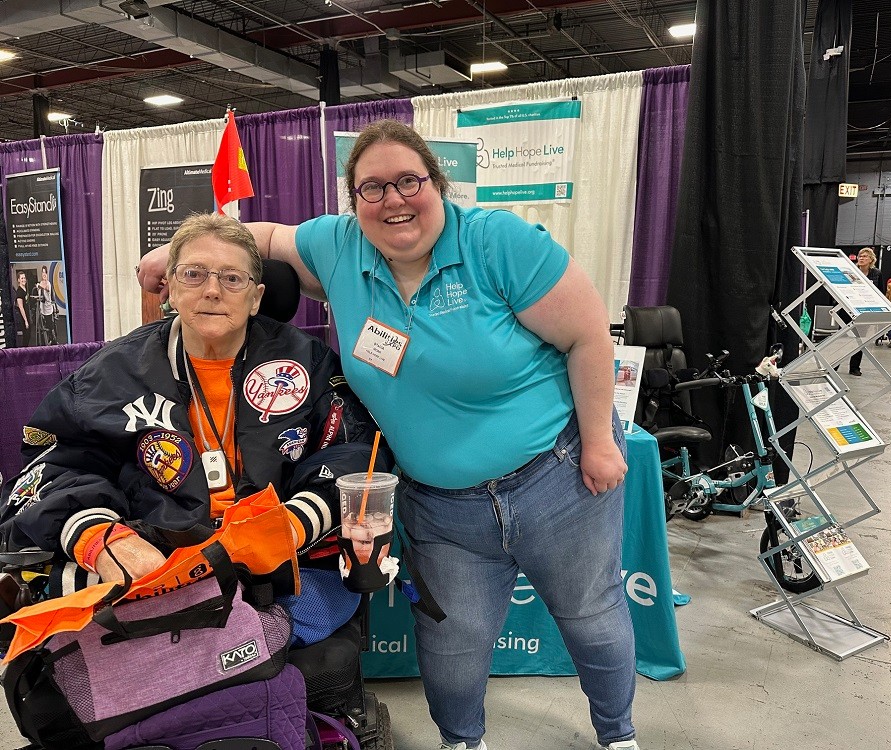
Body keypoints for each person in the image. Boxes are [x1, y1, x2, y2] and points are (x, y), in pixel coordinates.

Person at [140, 120, 637, 750]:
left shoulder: (496, 241)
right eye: (371, 188)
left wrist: (599, 440)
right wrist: (169, 257)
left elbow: (589, 334)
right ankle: (462, 742)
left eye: (409, 180)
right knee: (452, 646)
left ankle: (618, 736)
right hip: (441, 505)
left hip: (555, 476)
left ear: (437, 182)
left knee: (591, 619)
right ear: (353, 203)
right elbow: (260, 234)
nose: (393, 199)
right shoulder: (339, 246)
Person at [1, 213, 390, 646]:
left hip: (277, 563)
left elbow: (355, 452)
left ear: (257, 297)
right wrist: (100, 537)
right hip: (160, 552)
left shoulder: (309, 361)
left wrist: (294, 522)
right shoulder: (111, 374)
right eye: (194, 274)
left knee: (309, 608)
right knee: (69, 600)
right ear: (170, 285)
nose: (211, 290)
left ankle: (201, 643)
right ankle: (214, 640)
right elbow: (52, 466)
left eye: (231, 278)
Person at [848, 247, 883, 376]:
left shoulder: (876, 273)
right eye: (860, 256)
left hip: (866, 310)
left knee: (860, 339)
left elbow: (880, 292)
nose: (861, 258)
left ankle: (854, 367)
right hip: (849, 308)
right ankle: (835, 366)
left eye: (865, 256)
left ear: (871, 259)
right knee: (843, 338)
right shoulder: (851, 271)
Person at [29, 266, 57, 346]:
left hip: (48, 309)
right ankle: (43, 342)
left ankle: (53, 341)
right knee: (41, 327)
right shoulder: (40, 283)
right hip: (41, 309)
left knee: (50, 327)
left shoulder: (48, 283)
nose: (44, 274)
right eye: (43, 272)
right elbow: (39, 295)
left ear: (47, 274)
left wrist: (39, 286)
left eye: (45, 272)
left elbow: (47, 289)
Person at [13, 271, 32, 348]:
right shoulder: (19, 292)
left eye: (24, 278)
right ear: (18, 280)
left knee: (28, 334)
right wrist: (26, 321)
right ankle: (23, 352)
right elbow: (21, 307)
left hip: (27, 315)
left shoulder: (25, 289)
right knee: (26, 335)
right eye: (22, 278)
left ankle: (25, 350)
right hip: (23, 317)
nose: (23, 280)